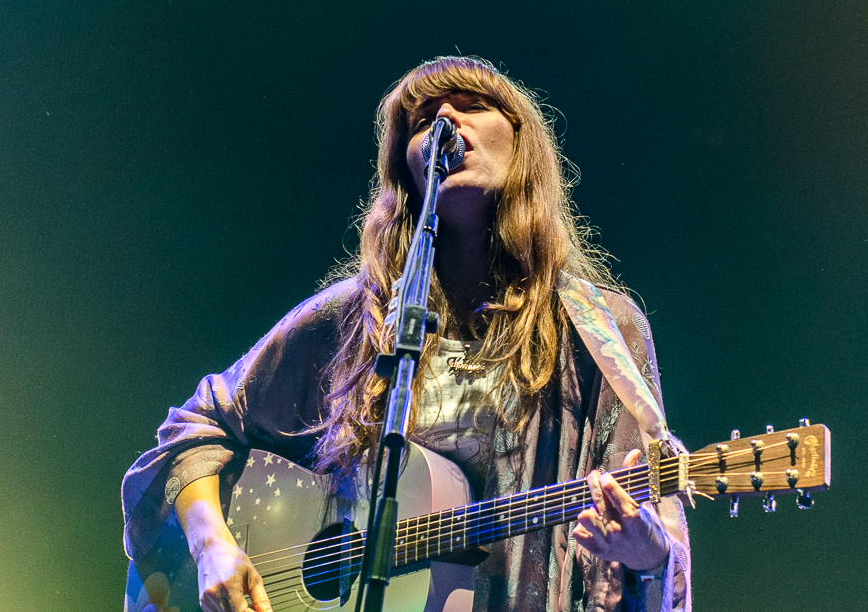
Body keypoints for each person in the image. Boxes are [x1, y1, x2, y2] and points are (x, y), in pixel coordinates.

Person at [122, 56, 692, 612]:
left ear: (522, 146)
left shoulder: (600, 331)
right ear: (406, 169)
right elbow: (193, 429)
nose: (446, 119)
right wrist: (211, 547)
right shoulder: (354, 320)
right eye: (423, 120)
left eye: (473, 105)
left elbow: (654, 547)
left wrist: (648, 555)